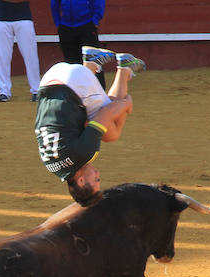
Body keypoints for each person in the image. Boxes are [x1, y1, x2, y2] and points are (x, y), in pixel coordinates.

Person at [34, 47, 145, 204]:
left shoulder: (84, 154)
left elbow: (106, 113)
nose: (98, 173)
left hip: (74, 83)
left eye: (96, 180)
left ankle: (124, 68)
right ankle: (92, 63)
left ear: (81, 181)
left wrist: (126, 104)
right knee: (99, 126)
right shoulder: (53, 167)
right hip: (49, 79)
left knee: (112, 133)